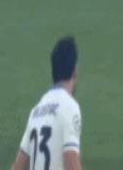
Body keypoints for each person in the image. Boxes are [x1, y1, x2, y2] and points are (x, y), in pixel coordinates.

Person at [11, 36, 83, 170]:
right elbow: (71, 160)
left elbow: (17, 167)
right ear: (74, 71)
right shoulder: (70, 107)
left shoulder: (36, 111)